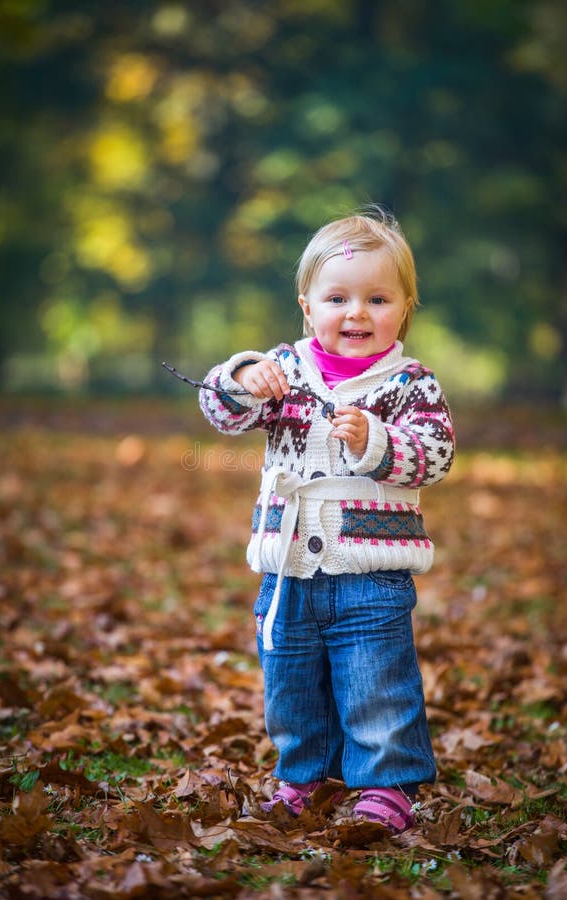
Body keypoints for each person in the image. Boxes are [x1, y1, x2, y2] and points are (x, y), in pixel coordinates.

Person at [199, 207, 455, 833]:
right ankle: (304, 775)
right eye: (337, 297)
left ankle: (386, 783)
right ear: (307, 306)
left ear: (405, 307)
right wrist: (240, 377)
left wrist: (378, 441)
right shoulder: (282, 370)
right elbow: (219, 411)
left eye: (377, 298)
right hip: (287, 565)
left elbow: (435, 454)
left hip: (372, 570)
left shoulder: (410, 386)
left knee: (376, 682)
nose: (357, 313)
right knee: (291, 683)